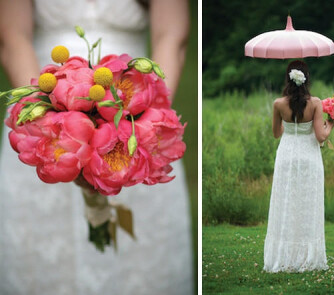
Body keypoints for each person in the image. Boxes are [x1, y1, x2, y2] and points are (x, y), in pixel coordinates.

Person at [0, 0, 193, 294]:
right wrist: (47, 118)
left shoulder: (138, 120)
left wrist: (140, 124)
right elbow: (12, 36)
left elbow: (172, 37)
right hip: (45, 116)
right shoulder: (44, 118)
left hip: (133, 108)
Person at [263, 60, 334, 272]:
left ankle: (284, 256)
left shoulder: (278, 104)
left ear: (288, 78)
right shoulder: (315, 103)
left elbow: (276, 134)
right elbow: (321, 135)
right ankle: (306, 257)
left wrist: (292, 131)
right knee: (307, 204)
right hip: (309, 157)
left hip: (286, 155)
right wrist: (330, 124)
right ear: (306, 79)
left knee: (286, 203)